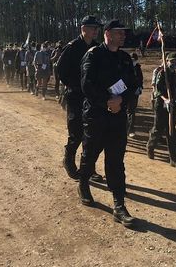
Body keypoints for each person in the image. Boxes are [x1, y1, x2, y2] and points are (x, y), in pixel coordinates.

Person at [78, 20, 138, 227]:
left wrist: (121, 101)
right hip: (96, 114)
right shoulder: (93, 55)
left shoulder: (124, 58)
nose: (123, 36)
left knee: (116, 159)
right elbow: (86, 85)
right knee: (91, 153)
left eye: (124, 33)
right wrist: (106, 102)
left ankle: (119, 205)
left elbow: (133, 84)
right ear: (108, 34)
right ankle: (84, 184)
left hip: (118, 115)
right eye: (119, 33)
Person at [57, 15, 103, 181]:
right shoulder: (73, 47)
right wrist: (72, 85)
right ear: (83, 29)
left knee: (91, 135)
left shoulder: (97, 48)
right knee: (76, 132)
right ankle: (68, 161)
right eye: (93, 28)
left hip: (91, 97)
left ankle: (89, 168)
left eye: (97, 28)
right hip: (75, 96)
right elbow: (60, 69)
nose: (96, 30)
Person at [147, 52, 176, 168]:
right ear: (167, 62)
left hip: (173, 106)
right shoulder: (162, 73)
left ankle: (174, 159)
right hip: (161, 105)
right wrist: (165, 99)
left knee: (172, 132)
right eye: (172, 62)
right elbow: (157, 91)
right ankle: (151, 146)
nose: (174, 64)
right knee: (158, 128)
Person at [127, 52, 143, 138]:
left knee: (132, 111)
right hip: (126, 92)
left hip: (134, 93)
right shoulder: (125, 67)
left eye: (135, 60)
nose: (133, 61)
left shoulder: (138, 68)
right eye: (132, 60)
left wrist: (140, 87)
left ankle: (131, 129)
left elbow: (140, 78)